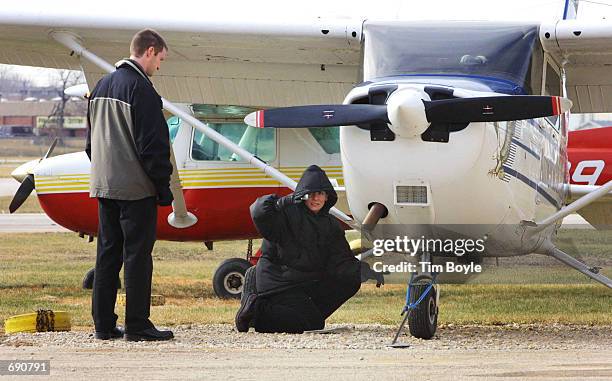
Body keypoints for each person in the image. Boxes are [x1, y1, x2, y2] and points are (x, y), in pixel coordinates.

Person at [85, 29, 174, 341]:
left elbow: (89, 144)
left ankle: (103, 325)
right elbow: (153, 147)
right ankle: (137, 325)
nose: (159, 66)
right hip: (135, 189)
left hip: (103, 185)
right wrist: (164, 189)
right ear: (149, 51)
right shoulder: (141, 89)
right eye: (161, 59)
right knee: (137, 256)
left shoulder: (101, 85)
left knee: (108, 254)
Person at [235, 165, 383, 333]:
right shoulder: (285, 213)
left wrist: (367, 271)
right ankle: (255, 309)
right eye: (311, 194)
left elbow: (341, 261)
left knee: (350, 280)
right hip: (278, 283)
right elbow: (258, 211)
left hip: (305, 282)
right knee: (311, 323)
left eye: (320, 193)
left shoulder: (331, 225)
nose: (315, 198)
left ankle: (306, 316)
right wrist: (287, 200)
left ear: (327, 196)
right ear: (302, 195)